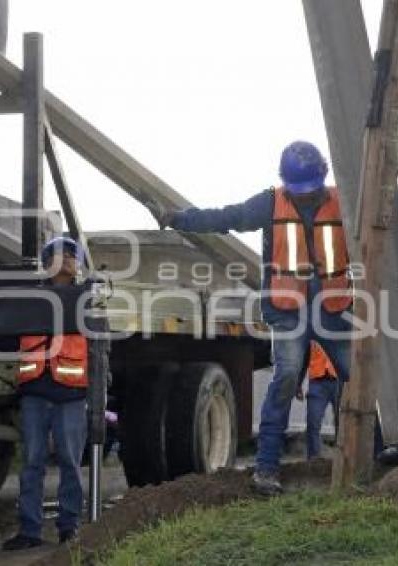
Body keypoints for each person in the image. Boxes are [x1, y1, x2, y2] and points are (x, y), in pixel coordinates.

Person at [146, 141, 353, 495]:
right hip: (287, 309)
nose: (304, 198)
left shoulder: (343, 199)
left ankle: (372, 456)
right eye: (298, 191)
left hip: (333, 307)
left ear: (323, 178)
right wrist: (178, 218)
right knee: (286, 377)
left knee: (356, 379)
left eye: (310, 190)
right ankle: (267, 468)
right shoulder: (270, 202)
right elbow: (227, 217)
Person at [2, 237, 89, 551]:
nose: (64, 259)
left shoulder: (87, 298)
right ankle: (29, 530)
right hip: (35, 390)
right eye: (57, 254)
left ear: (78, 263)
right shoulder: (31, 297)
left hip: (71, 392)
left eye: (70, 255)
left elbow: (100, 346)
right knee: (32, 462)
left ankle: (69, 527)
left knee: (69, 462)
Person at [296, 341, 339, 460]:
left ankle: (342, 458)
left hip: (339, 380)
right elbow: (305, 358)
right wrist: (298, 384)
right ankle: (314, 459)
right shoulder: (312, 332)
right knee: (313, 422)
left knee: (342, 422)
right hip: (317, 381)